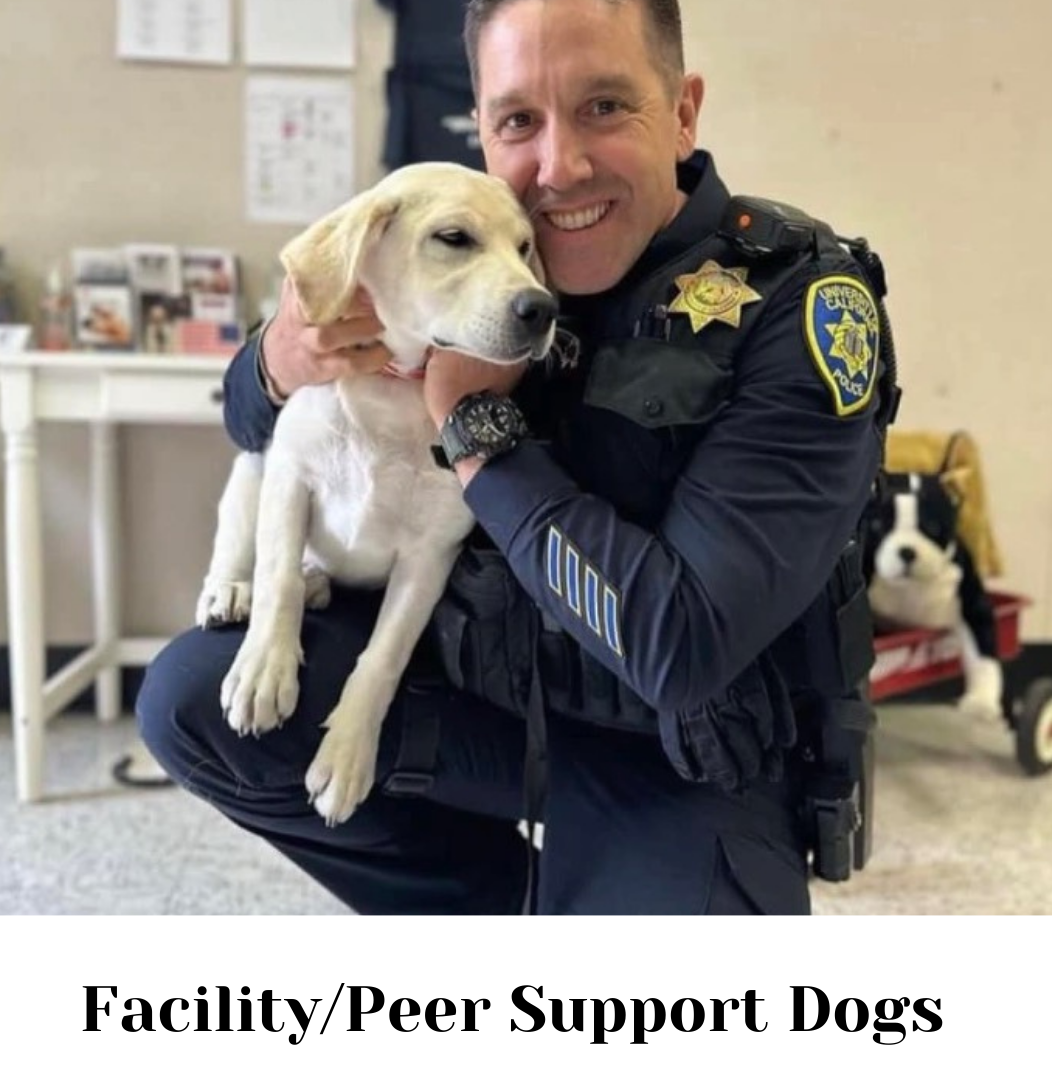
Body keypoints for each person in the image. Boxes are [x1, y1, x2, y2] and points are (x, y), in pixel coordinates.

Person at [138, 0, 891, 914]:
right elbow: (263, 432)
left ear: (684, 111)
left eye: (605, 107)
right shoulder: (472, 249)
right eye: (518, 121)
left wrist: (472, 425)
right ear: (482, 132)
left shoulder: (798, 304)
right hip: (487, 695)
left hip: (682, 748)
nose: (558, 167)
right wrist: (277, 361)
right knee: (192, 697)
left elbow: (685, 645)